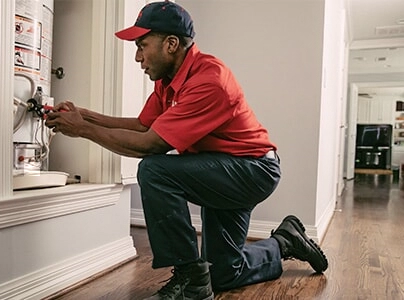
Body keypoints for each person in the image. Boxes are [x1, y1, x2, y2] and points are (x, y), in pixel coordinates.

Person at [45, 1, 328, 299]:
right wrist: (85, 115)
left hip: (252, 170)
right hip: (222, 167)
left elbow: (152, 144)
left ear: (171, 44)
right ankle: (286, 241)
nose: (138, 57)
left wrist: (83, 130)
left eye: (142, 45)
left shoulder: (210, 81)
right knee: (223, 273)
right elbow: (144, 126)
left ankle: (191, 278)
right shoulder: (168, 79)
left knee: (155, 169)